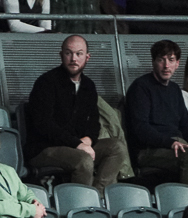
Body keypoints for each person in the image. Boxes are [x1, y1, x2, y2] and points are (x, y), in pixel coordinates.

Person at [25, 36, 125, 191]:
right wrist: (77, 144)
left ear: (87, 57)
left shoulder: (88, 86)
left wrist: (88, 140)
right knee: (83, 160)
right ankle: (81, 205)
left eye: (79, 54)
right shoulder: (46, 83)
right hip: (45, 148)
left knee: (117, 147)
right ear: (61, 55)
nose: (73, 59)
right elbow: (44, 125)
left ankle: (98, 197)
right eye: (68, 53)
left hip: (76, 145)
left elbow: (93, 123)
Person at [125, 40, 188, 189]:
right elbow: (141, 129)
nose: (166, 66)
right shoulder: (141, 87)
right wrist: (169, 143)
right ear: (153, 62)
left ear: (177, 64)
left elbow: (186, 124)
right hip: (149, 150)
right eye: (161, 60)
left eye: (171, 60)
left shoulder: (174, 89)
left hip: (177, 145)